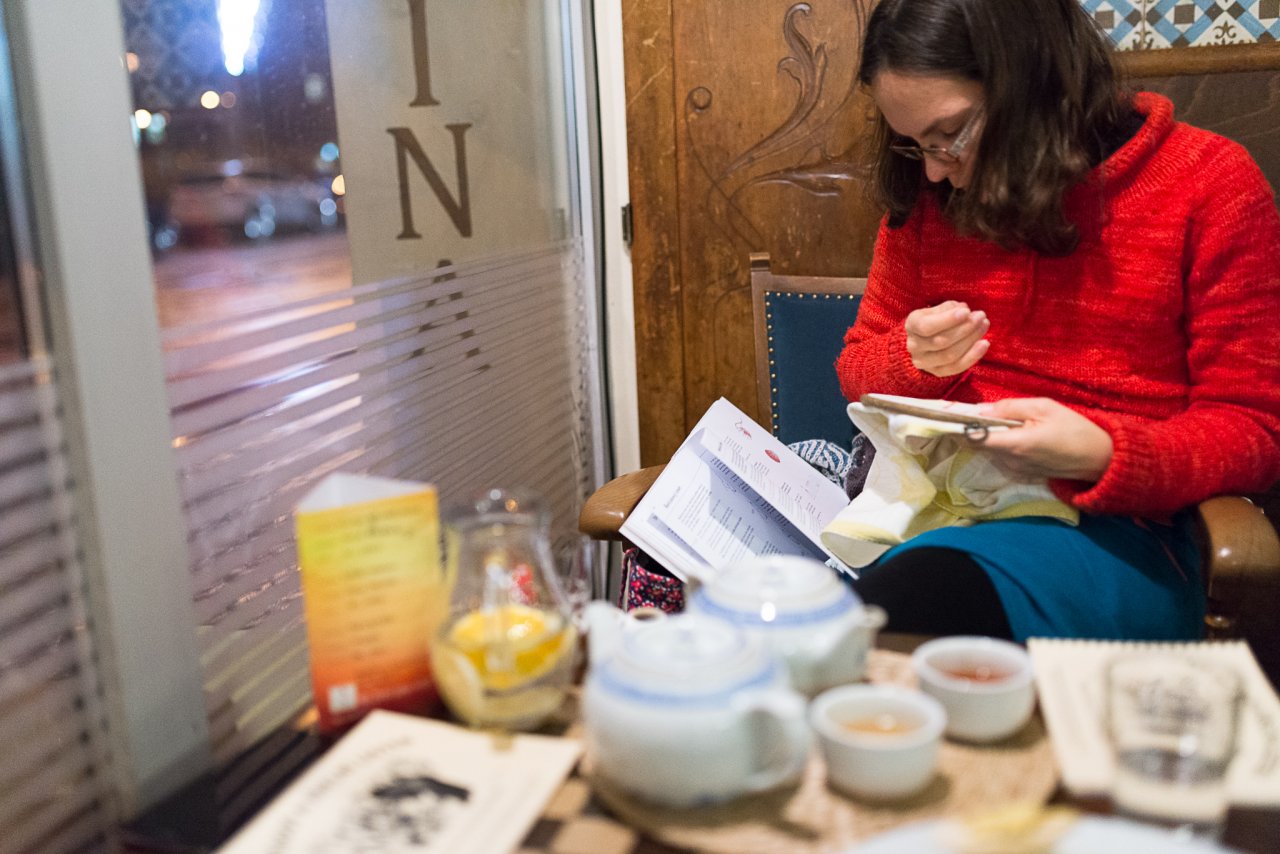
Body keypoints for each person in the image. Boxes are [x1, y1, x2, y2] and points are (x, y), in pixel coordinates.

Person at [837, 0, 1280, 642]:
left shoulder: (1209, 185)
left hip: (1119, 533)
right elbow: (857, 370)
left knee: (890, 618)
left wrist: (1102, 452)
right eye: (914, 143)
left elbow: (1254, 430)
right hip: (937, 510)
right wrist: (913, 360)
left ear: (1034, 80)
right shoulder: (928, 199)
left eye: (950, 134)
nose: (933, 169)